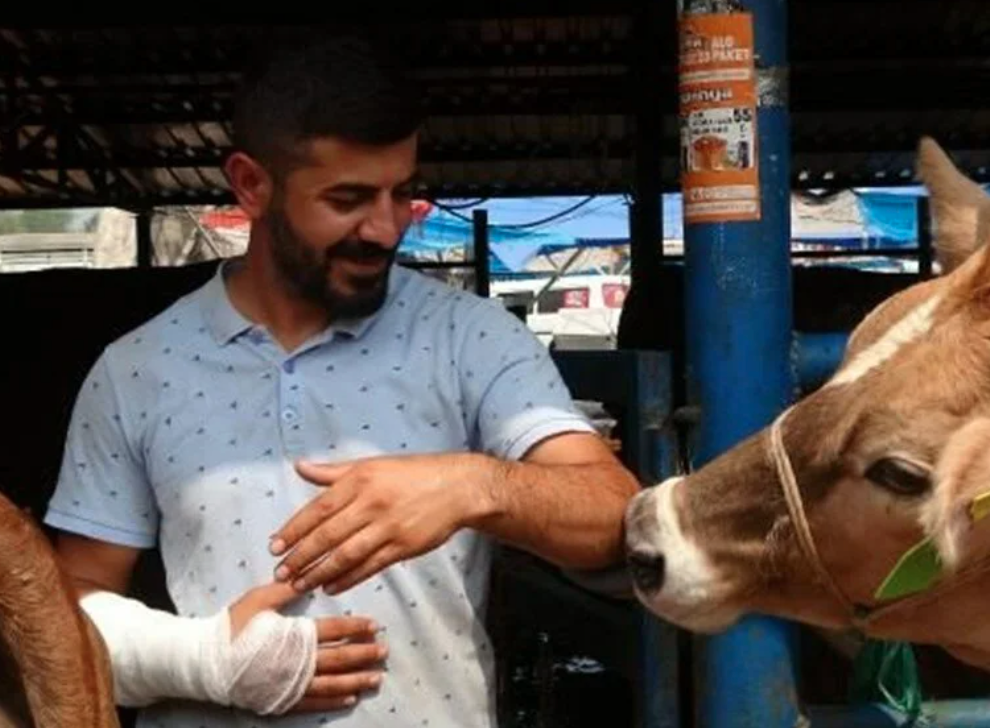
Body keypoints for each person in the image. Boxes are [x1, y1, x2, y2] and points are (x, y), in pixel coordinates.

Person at [45, 34, 639, 727]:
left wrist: (473, 485)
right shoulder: (137, 370)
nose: (385, 229)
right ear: (251, 185)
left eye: (403, 194)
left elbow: (615, 515)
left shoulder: (468, 337)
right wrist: (201, 659)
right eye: (349, 198)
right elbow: (70, 605)